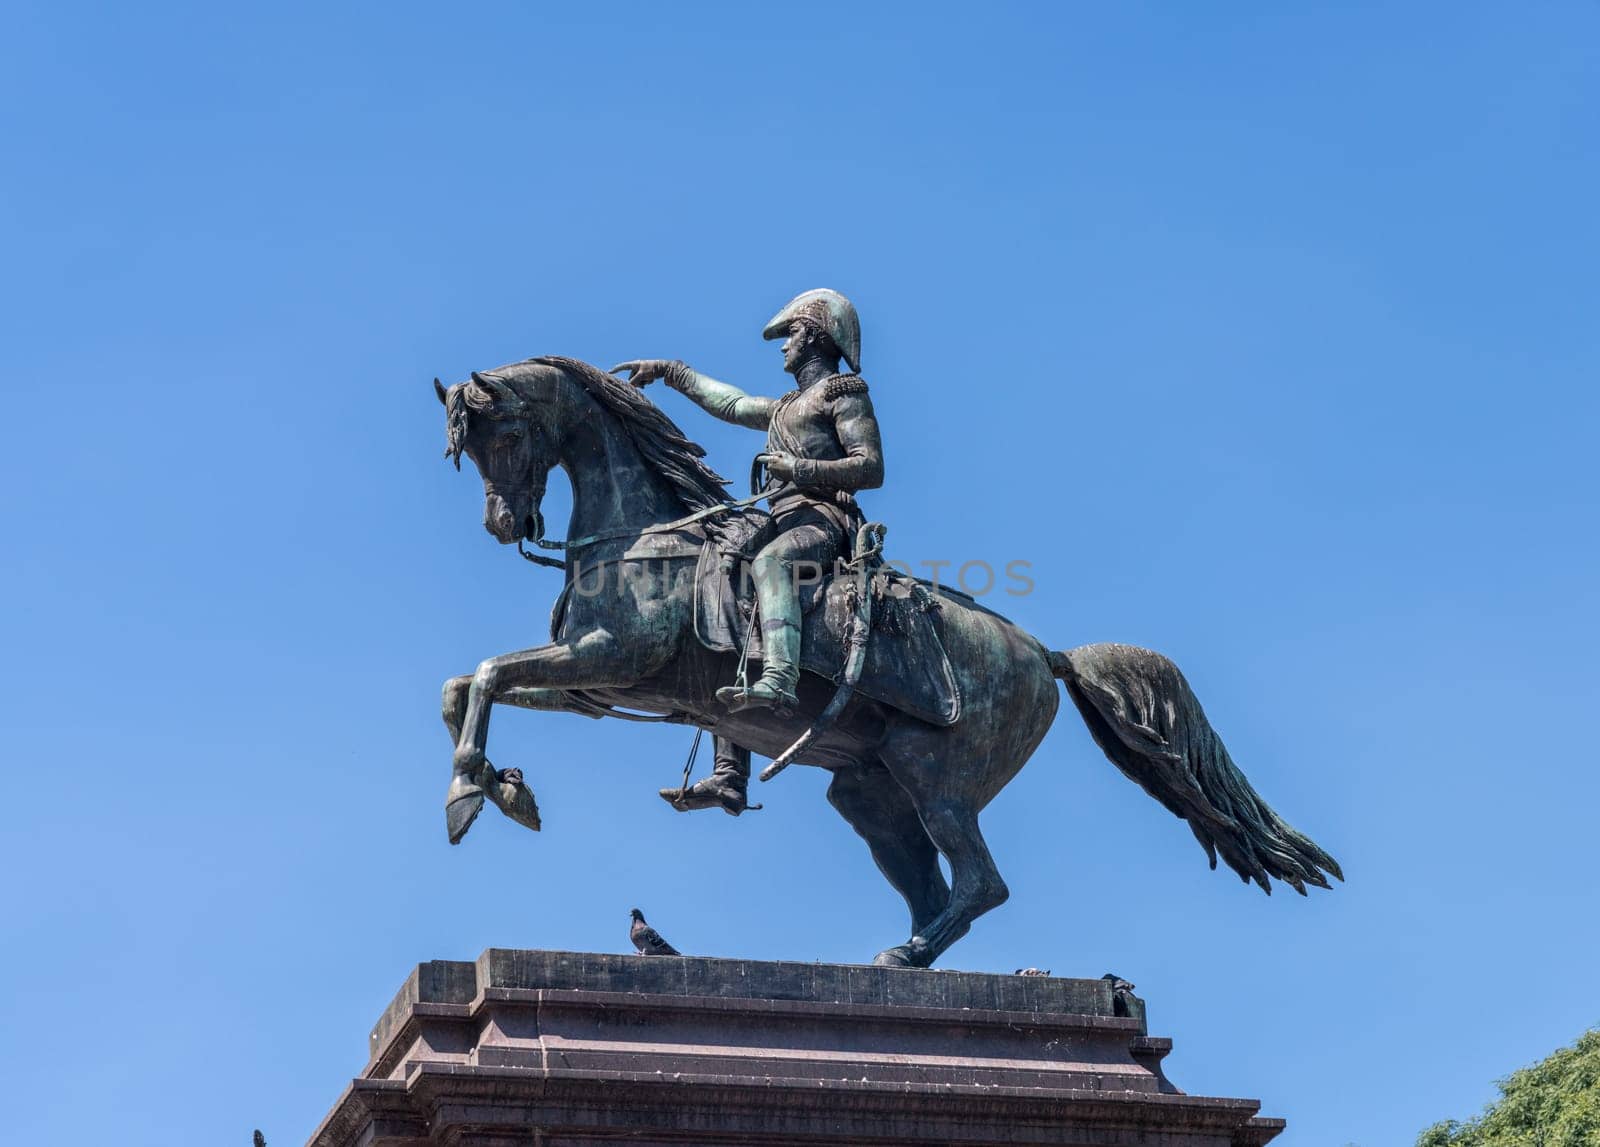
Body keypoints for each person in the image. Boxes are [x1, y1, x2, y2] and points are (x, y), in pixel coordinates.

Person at [612, 289, 885, 812]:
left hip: (823, 520)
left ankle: (781, 679)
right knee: (715, 572)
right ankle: (728, 771)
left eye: (791, 335)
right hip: (780, 518)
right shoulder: (785, 407)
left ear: (815, 337)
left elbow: (870, 466)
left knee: (771, 563)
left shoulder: (843, 392)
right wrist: (671, 371)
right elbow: (732, 403)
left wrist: (800, 470)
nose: (783, 346)